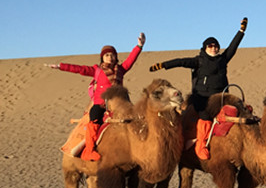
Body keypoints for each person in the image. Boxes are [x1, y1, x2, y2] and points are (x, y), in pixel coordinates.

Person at [149, 17, 247, 160]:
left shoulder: (222, 59)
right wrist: (163, 65)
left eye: (216, 46)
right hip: (203, 98)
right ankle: (200, 145)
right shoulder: (199, 61)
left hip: (221, 97)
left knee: (239, 111)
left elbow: (233, 47)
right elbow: (181, 61)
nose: (213, 48)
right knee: (205, 118)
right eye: (210, 46)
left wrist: (241, 31)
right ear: (205, 48)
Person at [49, 32, 146, 160]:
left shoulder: (121, 69)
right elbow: (79, 69)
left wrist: (139, 46)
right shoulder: (97, 70)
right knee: (94, 119)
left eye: (112, 55)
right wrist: (60, 66)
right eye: (107, 55)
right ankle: (89, 150)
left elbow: (131, 59)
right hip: (101, 103)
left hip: (119, 103)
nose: (110, 57)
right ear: (102, 58)